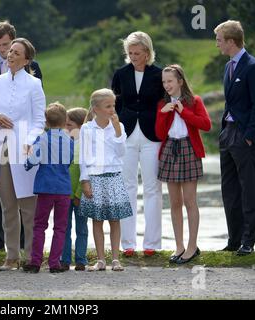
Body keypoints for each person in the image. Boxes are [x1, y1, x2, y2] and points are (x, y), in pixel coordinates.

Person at [0, 38, 46, 271]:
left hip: (25, 148)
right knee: (7, 204)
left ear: (27, 59)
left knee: (28, 205)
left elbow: (39, 120)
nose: (10, 55)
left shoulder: (34, 84)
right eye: (9, 51)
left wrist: (30, 142)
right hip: (0, 146)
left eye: (16, 52)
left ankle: (31, 255)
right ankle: (11, 256)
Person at [214, 20, 255, 255]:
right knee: (229, 189)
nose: (216, 44)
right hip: (228, 133)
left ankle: (248, 241)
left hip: (244, 135)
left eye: (218, 40)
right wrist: (225, 130)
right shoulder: (228, 66)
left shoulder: (253, 67)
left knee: (248, 189)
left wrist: (249, 137)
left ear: (231, 41)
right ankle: (234, 239)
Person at [111, 31, 165, 257]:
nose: (133, 56)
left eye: (137, 53)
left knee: (153, 188)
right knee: (126, 186)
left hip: (153, 135)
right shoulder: (120, 74)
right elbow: (114, 103)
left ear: (147, 52)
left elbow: (165, 100)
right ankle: (128, 244)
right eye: (130, 53)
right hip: (127, 133)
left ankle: (151, 244)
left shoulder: (160, 74)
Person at [155, 64, 211, 264]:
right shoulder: (162, 103)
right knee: (175, 203)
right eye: (164, 82)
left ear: (180, 81)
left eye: (170, 81)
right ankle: (179, 246)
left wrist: (182, 111)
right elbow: (160, 134)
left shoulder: (194, 101)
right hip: (170, 150)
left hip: (189, 150)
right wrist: (164, 112)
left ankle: (192, 246)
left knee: (190, 201)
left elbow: (206, 124)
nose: (166, 85)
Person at [79, 89, 133, 272]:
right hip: (95, 178)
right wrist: (84, 180)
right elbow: (83, 157)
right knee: (97, 219)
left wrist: (117, 130)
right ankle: (101, 259)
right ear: (96, 109)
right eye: (108, 106)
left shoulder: (119, 127)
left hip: (114, 177)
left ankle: (116, 259)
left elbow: (121, 152)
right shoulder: (87, 129)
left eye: (114, 105)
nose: (112, 109)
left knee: (115, 219)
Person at [22, 103, 74, 273]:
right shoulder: (70, 140)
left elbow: (32, 161)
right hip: (64, 188)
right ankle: (54, 263)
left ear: (45, 122)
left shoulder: (42, 139)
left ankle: (36, 261)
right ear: (65, 120)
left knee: (39, 225)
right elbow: (70, 160)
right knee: (60, 227)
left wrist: (26, 163)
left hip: (45, 187)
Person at [60, 107, 89, 271]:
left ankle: (81, 259)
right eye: (65, 125)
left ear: (80, 126)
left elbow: (84, 173)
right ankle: (65, 259)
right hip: (64, 194)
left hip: (79, 195)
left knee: (82, 228)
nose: (66, 128)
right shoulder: (64, 142)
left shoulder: (83, 146)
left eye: (69, 125)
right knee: (64, 228)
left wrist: (78, 194)